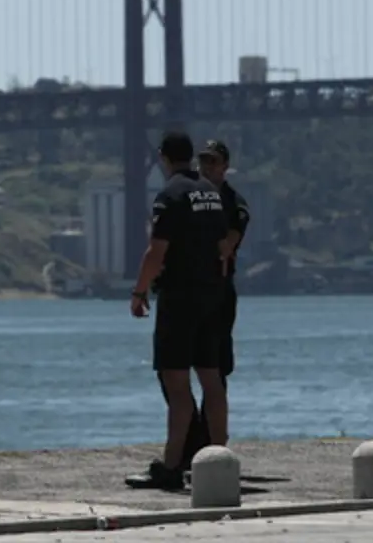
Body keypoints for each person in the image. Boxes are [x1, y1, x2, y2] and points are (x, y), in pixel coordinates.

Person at [125, 131, 230, 491]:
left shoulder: (170, 195)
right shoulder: (211, 194)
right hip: (212, 295)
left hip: (180, 297)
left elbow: (156, 252)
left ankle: (171, 467)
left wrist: (139, 291)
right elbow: (223, 245)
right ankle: (220, 460)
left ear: (163, 158)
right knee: (212, 378)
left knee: (176, 381)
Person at [160, 139, 251, 469]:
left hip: (217, 293)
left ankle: (214, 450)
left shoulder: (233, 203)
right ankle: (191, 443)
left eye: (213, 162)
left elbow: (225, 246)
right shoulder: (192, 195)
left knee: (215, 369)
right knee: (176, 373)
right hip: (195, 291)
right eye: (203, 161)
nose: (207, 167)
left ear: (225, 166)